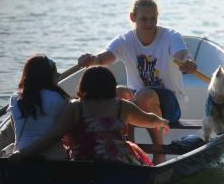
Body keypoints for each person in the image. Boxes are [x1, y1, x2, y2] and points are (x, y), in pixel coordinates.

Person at [72, 0, 197, 164]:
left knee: (144, 95)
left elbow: (181, 53)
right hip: (138, 100)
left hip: (172, 103)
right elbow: (102, 59)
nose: (149, 23)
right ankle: (127, 147)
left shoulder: (170, 36)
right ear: (133, 18)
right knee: (117, 92)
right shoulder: (125, 40)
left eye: (153, 18)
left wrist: (186, 61)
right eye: (144, 19)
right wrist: (90, 59)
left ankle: (159, 152)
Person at [13, 66, 169, 166]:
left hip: (83, 164)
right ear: (111, 86)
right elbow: (149, 119)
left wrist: (23, 154)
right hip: (119, 165)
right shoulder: (122, 107)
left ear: (83, 86)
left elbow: (53, 136)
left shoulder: (76, 107)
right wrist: (162, 121)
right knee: (134, 151)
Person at [7, 53, 70, 160]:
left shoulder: (14, 98)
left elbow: (15, 127)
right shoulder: (60, 98)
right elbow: (64, 132)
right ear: (49, 77)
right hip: (51, 158)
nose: (58, 78)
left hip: (18, 155)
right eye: (56, 74)